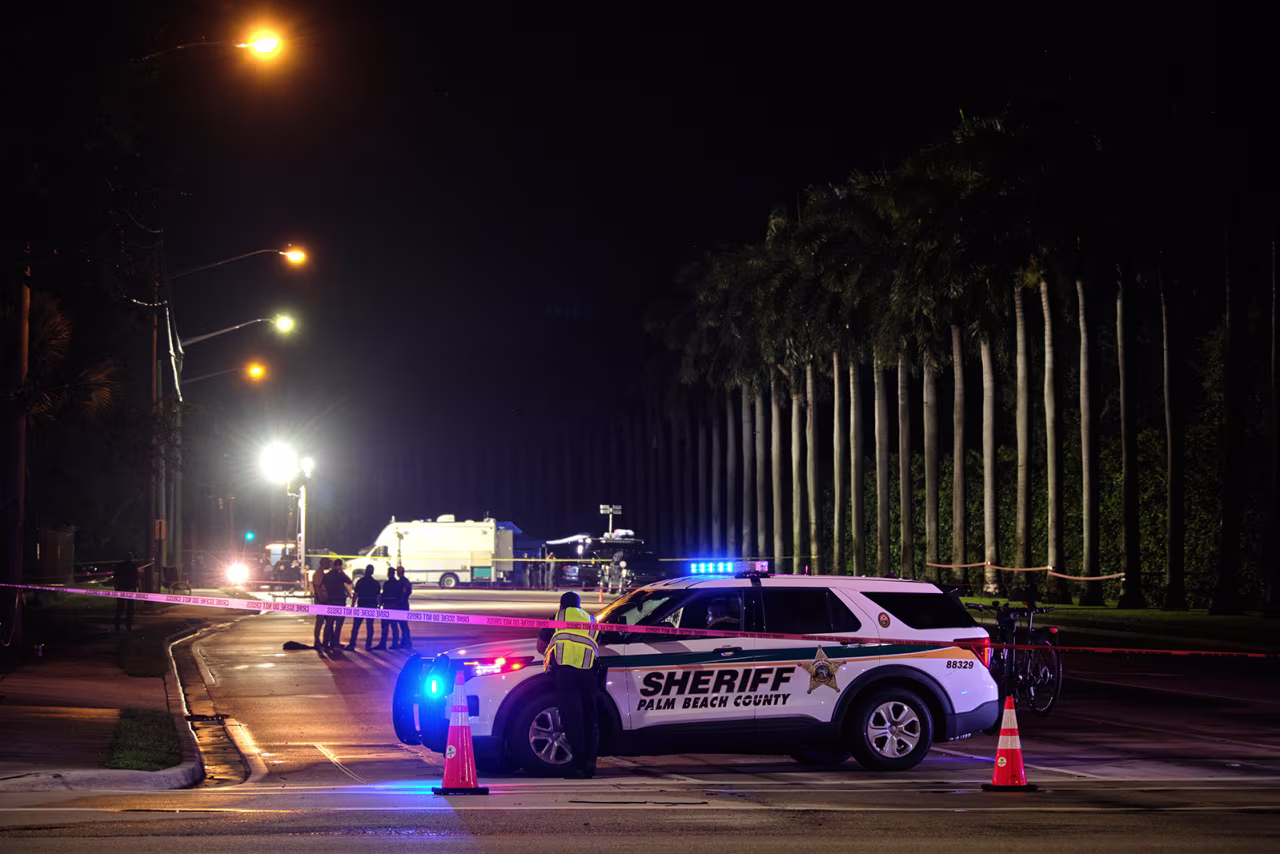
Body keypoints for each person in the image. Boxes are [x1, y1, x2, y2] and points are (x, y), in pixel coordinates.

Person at [536, 591, 601, 778]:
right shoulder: (592, 620)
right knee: (591, 718)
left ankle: (578, 765)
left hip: (565, 673)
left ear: (561, 605)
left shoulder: (556, 618)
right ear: (579, 605)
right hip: (588, 672)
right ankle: (590, 764)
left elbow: (541, 647)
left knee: (572, 718)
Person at [347, 565, 382, 650]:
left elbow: (356, 594)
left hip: (362, 605)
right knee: (370, 627)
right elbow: (378, 596)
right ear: (372, 572)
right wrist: (378, 605)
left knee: (356, 626)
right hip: (371, 606)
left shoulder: (360, 581)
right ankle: (368, 645)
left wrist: (352, 604)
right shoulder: (375, 583)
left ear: (365, 571)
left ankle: (352, 644)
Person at [322, 558, 353, 649]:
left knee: (329, 624)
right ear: (340, 566)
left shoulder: (327, 575)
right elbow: (349, 581)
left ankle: (325, 642)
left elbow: (324, 587)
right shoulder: (340, 575)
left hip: (330, 601)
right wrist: (341, 572)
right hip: (339, 601)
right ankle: (335, 642)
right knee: (339, 624)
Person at [373, 565, 401, 650]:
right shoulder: (397, 583)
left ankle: (383, 644)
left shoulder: (387, 584)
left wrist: (380, 604)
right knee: (394, 626)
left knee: (386, 627)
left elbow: (384, 595)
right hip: (393, 607)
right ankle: (395, 643)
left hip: (388, 606)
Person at [113, 553, 140, 632]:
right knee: (130, 608)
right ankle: (128, 625)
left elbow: (115, 577)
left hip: (121, 588)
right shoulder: (133, 566)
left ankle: (117, 624)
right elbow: (136, 578)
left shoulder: (119, 566)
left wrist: (116, 588)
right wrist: (138, 588)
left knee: (120, 607)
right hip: (130, 589)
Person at [311, 557, 331, 648]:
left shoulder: (321, 573)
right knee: (320, 621)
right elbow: (317, 588)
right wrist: (321, 599)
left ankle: (323, 640)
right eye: (328, 563)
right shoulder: (318, 574)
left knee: (324, 620)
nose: (329, 565)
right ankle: (317, 640)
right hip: (321, 601)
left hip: (323, 600)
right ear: (324, 564)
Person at [394, 566, 413, 648]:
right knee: (403, 624)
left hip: (402, 606)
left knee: (403, 625)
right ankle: (405, 641)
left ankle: (406, 642)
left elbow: (404, 593)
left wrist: (399, 602)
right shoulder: (405, 581)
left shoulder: (402, 582)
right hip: (404, 605)